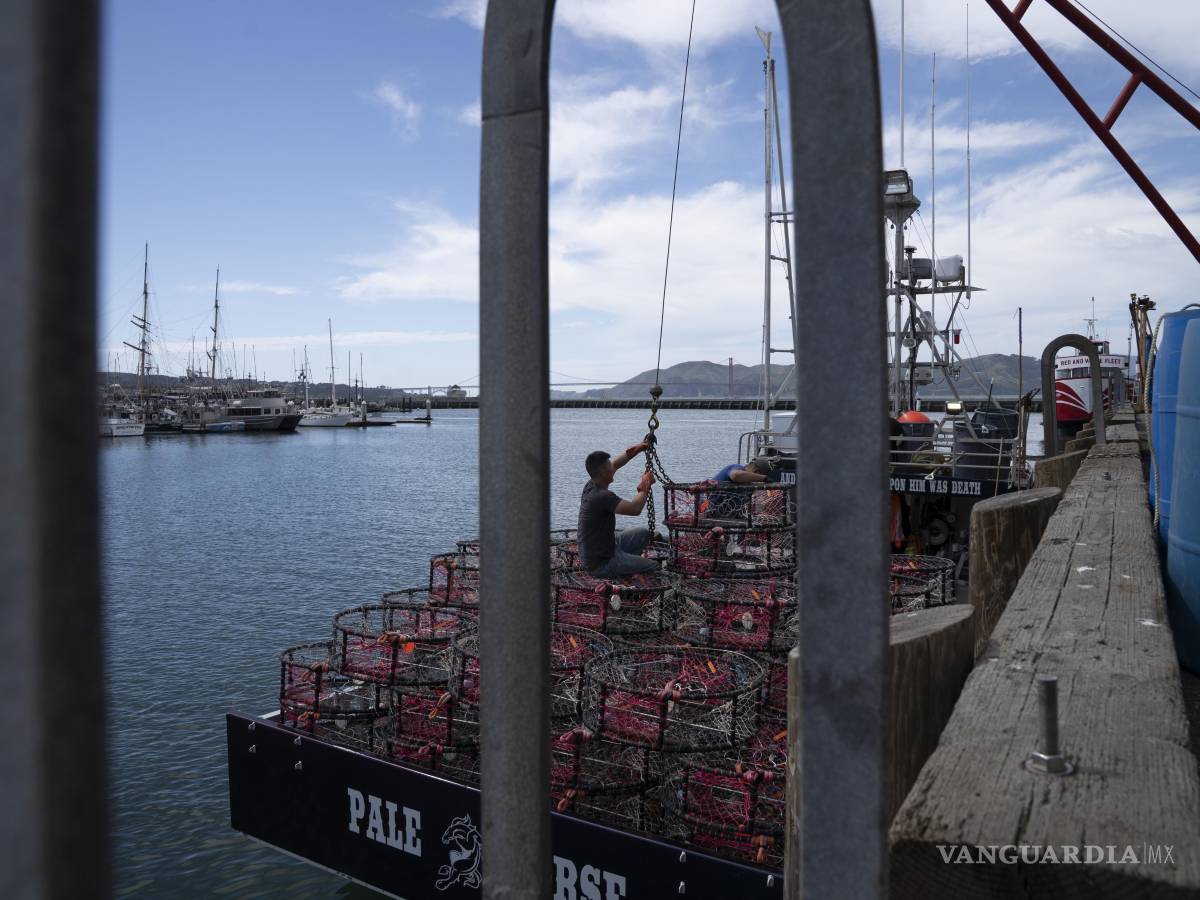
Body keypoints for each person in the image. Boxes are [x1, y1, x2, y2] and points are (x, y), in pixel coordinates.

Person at [577, 442, 657, 577]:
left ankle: (627, 568)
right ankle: (626, 576)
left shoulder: (591, 484)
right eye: (609, 467)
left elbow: (615, 463)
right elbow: (635, 508)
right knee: (652, 566)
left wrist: (638, 448)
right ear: (603, 472)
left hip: (607, 548)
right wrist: (645, 483)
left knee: (643, 533)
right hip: (601, 563)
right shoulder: (602, 496)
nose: (613, 468)